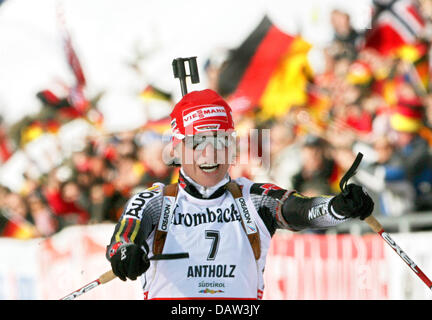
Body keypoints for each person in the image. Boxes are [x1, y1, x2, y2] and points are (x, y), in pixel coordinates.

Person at [105, 89, 373, 300]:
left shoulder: (254, 198)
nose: (210, 155)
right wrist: (125, 253)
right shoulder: (155, 201)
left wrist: (339, 207)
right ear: (176, 150)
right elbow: (124, 236)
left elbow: (302, 211)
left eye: (220, 141)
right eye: (198, 144)